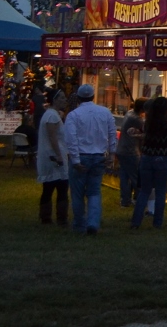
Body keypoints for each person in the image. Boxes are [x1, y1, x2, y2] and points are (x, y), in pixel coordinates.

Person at [63, 84, 116, 235]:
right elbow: (112, 133)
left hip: (81, 156)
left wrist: (75, 160)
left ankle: (80, 224)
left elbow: (71, 140)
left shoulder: (73, 115)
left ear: (78, 98)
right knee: (94, 191)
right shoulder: (105, 113)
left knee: (77, 193)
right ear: (93, 97)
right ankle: (93, 222)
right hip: (99, 157)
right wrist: (112, 154)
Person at [132, 96, 167, 230]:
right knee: (160, 192)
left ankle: (136, 222)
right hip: (162, 158)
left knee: (144, 191)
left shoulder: (148, 124)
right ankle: (157, 223)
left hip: (147, 158)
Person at [36, 91, 69, 226]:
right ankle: (59, 217)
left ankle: (47, 217)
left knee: (49, 187)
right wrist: (59, 155)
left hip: (51, 154)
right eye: (61, 98)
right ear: (55, 100)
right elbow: (53, 137)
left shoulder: (52, 114)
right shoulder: (52, 116)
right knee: (60, 187)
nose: (64, 100)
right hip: (53, 156)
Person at [115, 98, 145, 208]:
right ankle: (138, 199)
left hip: (122, 149)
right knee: (135, 176)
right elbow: (146, 132)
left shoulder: (129, 113)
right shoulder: (137, 120)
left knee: (124, 176)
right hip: (131, 151)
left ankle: (125, 200)